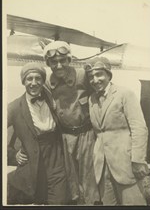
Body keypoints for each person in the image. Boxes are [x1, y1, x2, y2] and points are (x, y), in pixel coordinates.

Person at [84, 57, 150, 205]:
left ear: (108, 74)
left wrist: (138, 160)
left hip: (125, 164)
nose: (95, 80)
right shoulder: (91, 99)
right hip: (102, 165)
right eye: (91, 77)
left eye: (99, 74)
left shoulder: (124, 94)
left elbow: (139, 128)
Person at [43, 41, 100, 205]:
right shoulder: (47, 82)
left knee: (89, 178)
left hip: (86, 134)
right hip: (65, 136)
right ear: (48, 63)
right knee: (71, 179)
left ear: (69, 60)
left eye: (63, 60)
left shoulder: (82, 75)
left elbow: (100, 94)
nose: (59, 65)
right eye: (54, 62)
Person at [7, 62, 67, 205]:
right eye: (29, 79)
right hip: (33, 162)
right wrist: (12, 155)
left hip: (56, 157)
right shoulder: (14, 107)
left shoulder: (51, 98)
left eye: (38, 78)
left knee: (58, 200)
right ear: (23, 81)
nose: (34, 83)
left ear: (43, 81)